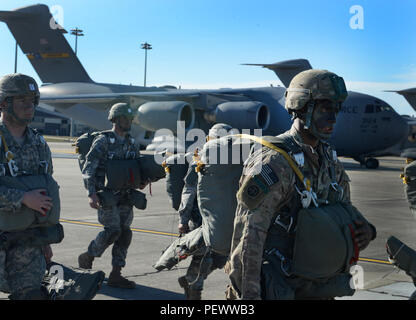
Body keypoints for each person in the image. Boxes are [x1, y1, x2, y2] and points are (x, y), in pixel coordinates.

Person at [226, 69, 377, 300]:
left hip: (317, 287)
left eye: (336, 109)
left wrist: (367, 230)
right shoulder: (275, 162)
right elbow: (249, 239)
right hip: (281, 286)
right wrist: (248, 297)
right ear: (303, 108)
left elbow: (343, 210)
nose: (333, 119)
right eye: (326, 109)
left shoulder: (328, 158)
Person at [0, 73, 60, 299]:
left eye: (33, 100)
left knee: (32, 295)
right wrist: (22, 198)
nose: (30, 106)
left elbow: (47, 190)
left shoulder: (39, 143)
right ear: (4, 103)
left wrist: (44, 239)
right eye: (22, 99)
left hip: (27, 240)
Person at [78, 102, 141, 289]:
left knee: (125, 234)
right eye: (124, 118)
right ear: (114, 120)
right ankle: (88, 255)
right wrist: (91, 193)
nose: (128, 122)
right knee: (113, 230)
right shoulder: (103, 141)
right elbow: (90, 167)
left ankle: (116, 273)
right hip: (106, 195)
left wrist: (143, 180)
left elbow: (136, 167)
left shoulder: (132, 143)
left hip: (126, 195)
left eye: (130, 119)